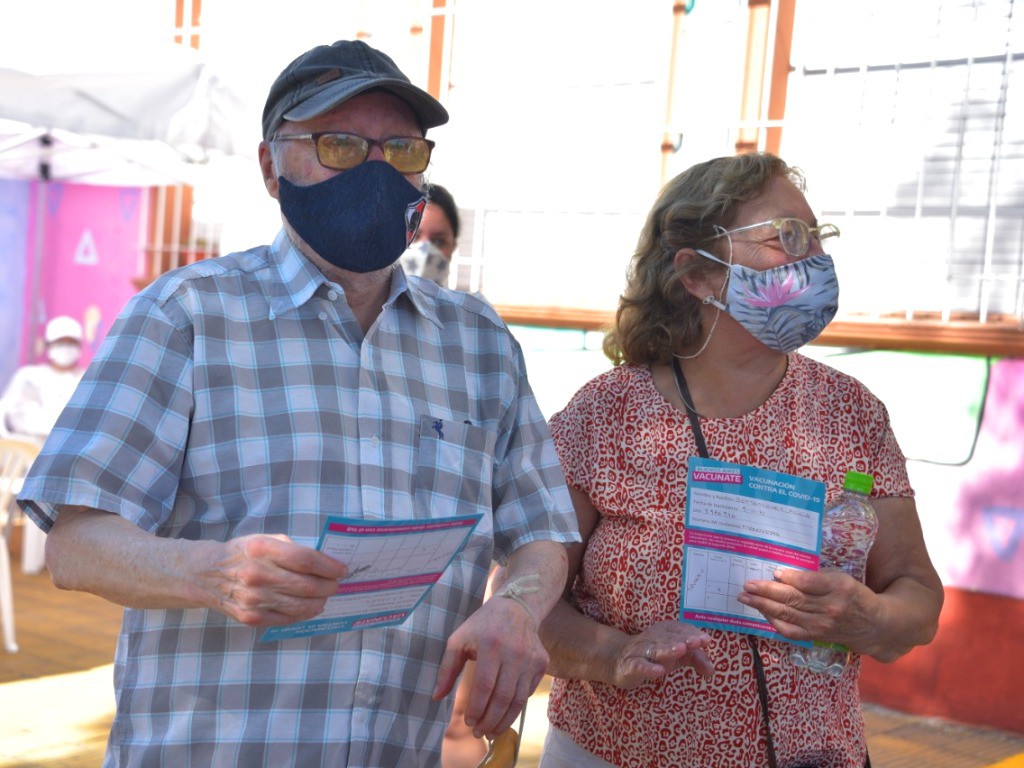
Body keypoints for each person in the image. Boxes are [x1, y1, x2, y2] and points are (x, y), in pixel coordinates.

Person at [17, 39, 578, 767]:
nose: (376, 169)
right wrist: (210, 572)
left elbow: (542, 532)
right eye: (340, 144)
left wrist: (518, 605)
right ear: (270, 166)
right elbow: (74, 544)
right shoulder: (187, 315)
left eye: (403, 150)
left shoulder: (478, 342)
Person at [537, 152, 943, 768]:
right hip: (613, 752)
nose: (816, 259)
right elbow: (528, 599)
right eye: (788, 236)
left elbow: (918, 595)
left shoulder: (850, 413)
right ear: (699, 274)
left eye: (819, 237)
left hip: (813, 755)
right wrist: (612, 654)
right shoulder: (606, 414)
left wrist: (872, 618)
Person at [0, 315, 84, 443]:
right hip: (25, 449)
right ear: (48, 345)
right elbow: (6, 413)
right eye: (60, 343)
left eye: (71, 343)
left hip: (68, 448)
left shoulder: (86, 380)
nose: (66, 349)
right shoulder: (29, 376)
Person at [401, 182, 460, 287]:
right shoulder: (368, 302)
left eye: (438, 241)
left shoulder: (466, 303)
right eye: (414, 236)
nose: (425, 251)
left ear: (453, 247)